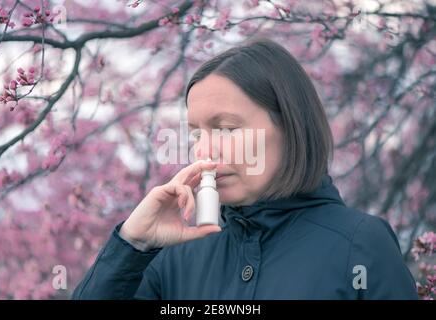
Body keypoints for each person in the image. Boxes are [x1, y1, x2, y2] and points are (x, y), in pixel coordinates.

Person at [72, 38, 418, 299]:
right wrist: (132, 244)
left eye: (226, 128)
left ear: (289, 127)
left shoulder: (359, 244)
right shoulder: (173, 259)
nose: (205, 151)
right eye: (196, 134)